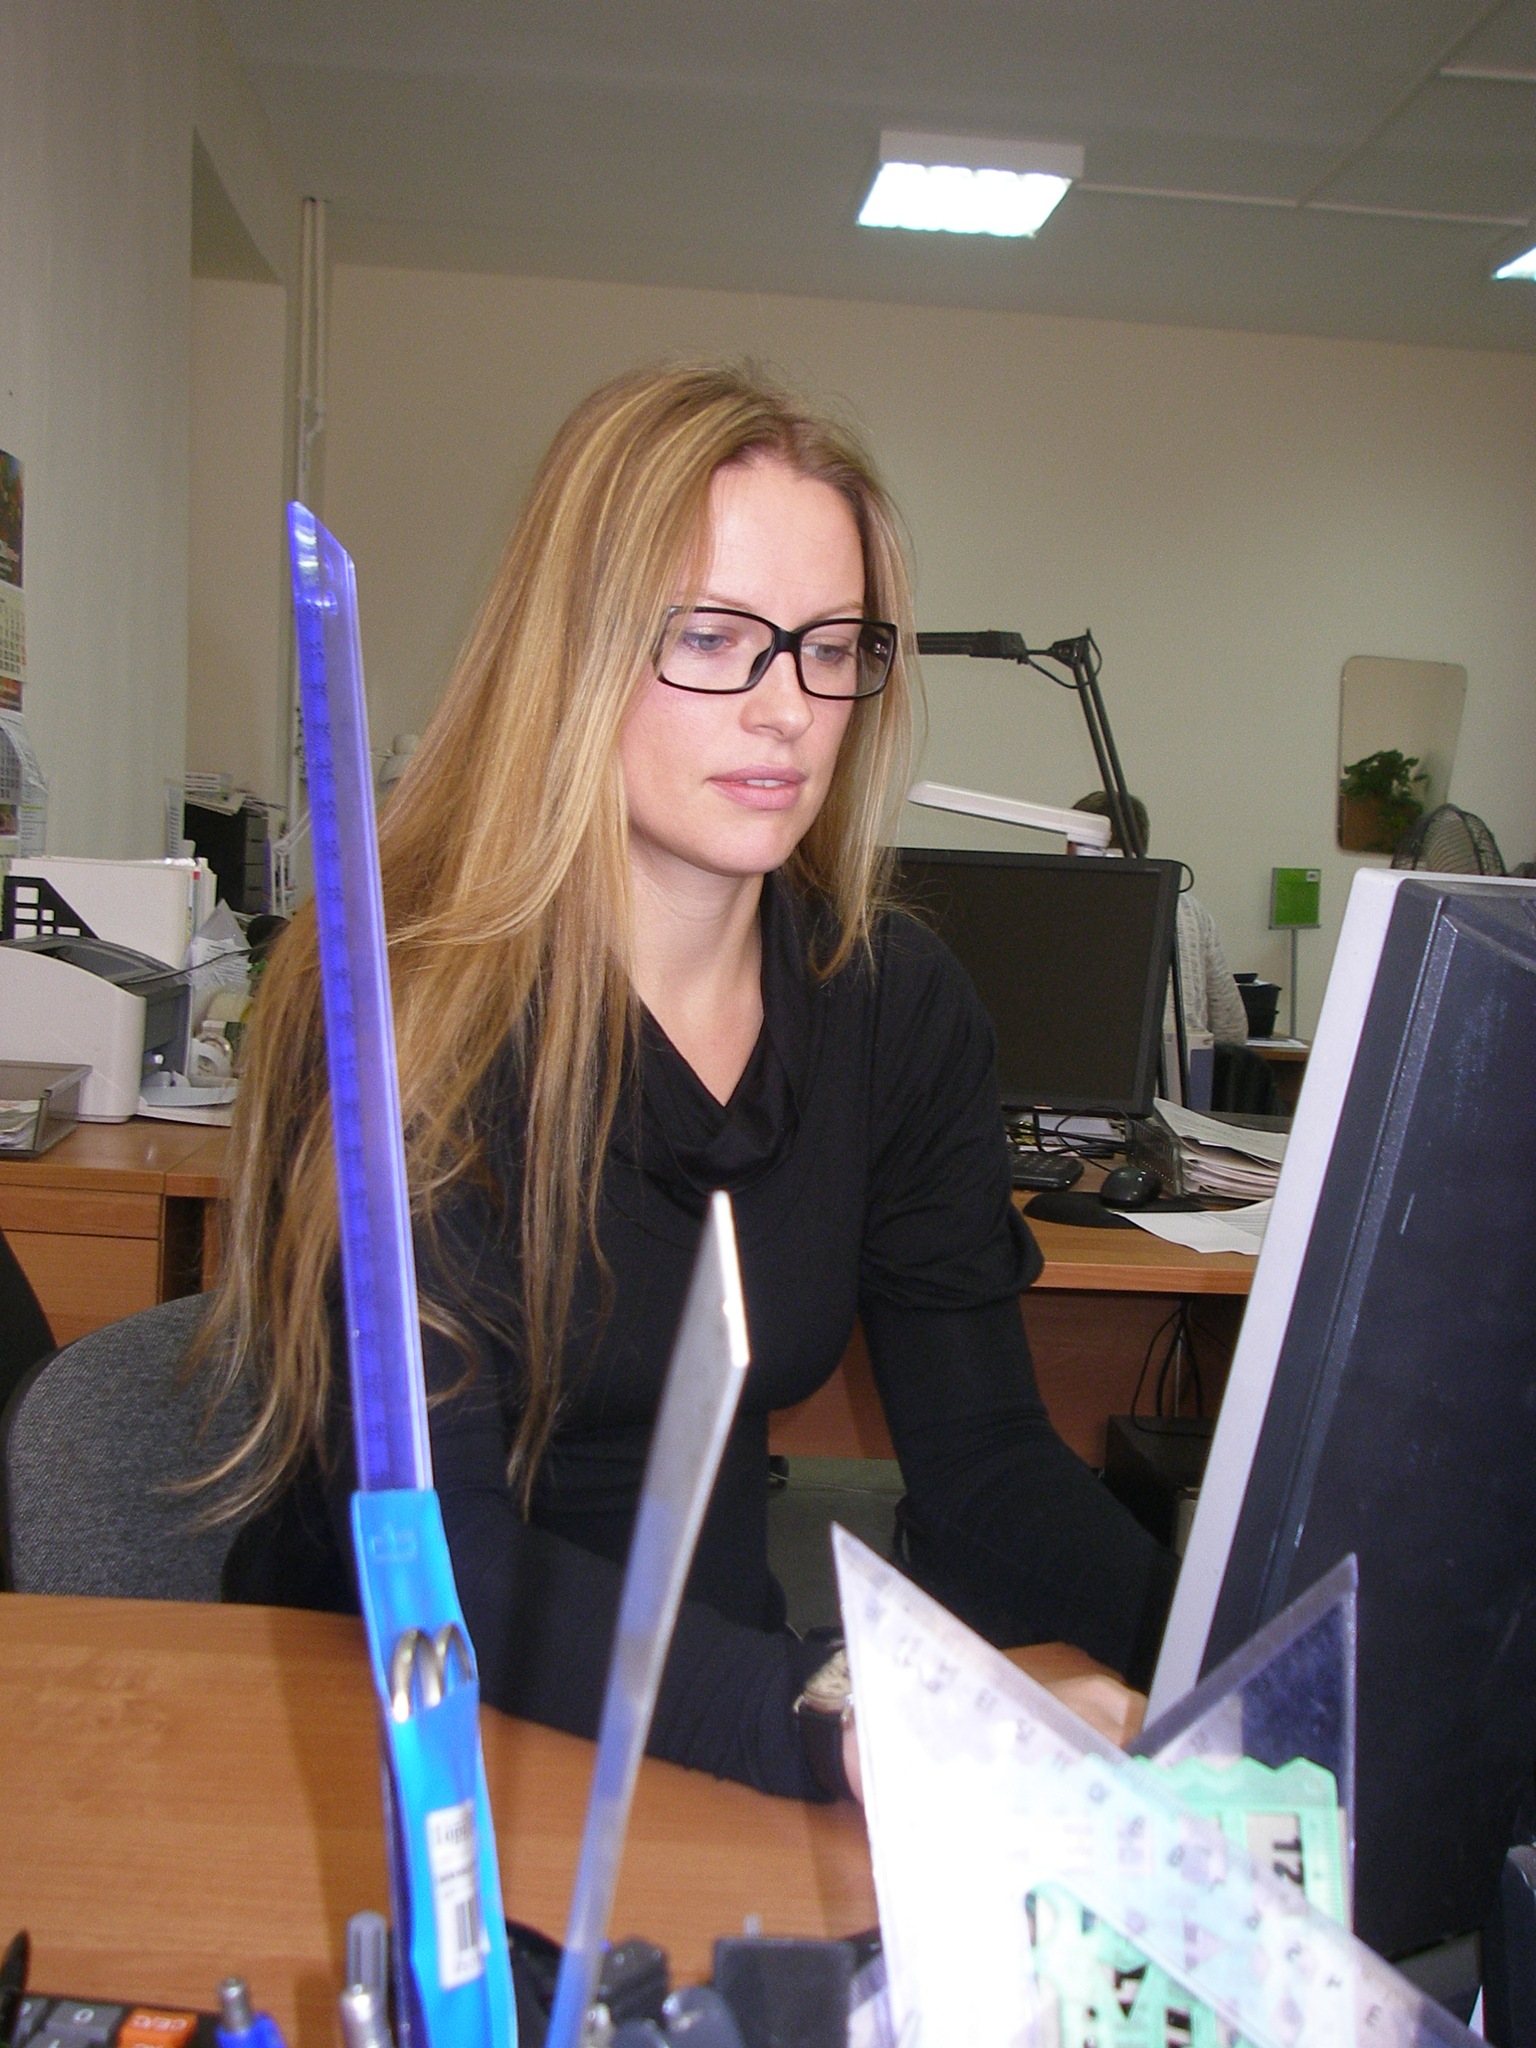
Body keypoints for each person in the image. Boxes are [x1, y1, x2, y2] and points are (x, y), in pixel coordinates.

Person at [202, 363, 1175, 1802]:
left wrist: (1228, 1657)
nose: (788, 709)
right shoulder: (401, 1011)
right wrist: (835, 1712)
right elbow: (439, 1549)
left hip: (699, 1720)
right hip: (387, 1740)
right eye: (714, 637)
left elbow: (985, 1461)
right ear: (575, 654)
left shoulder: (893, 1007)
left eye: (831, 646)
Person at [1071, 791, 1249, 1044]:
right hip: (1185, 1061)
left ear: (1075, 843)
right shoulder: (1189, 909)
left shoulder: (1068, 902)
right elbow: (1231, 1027)